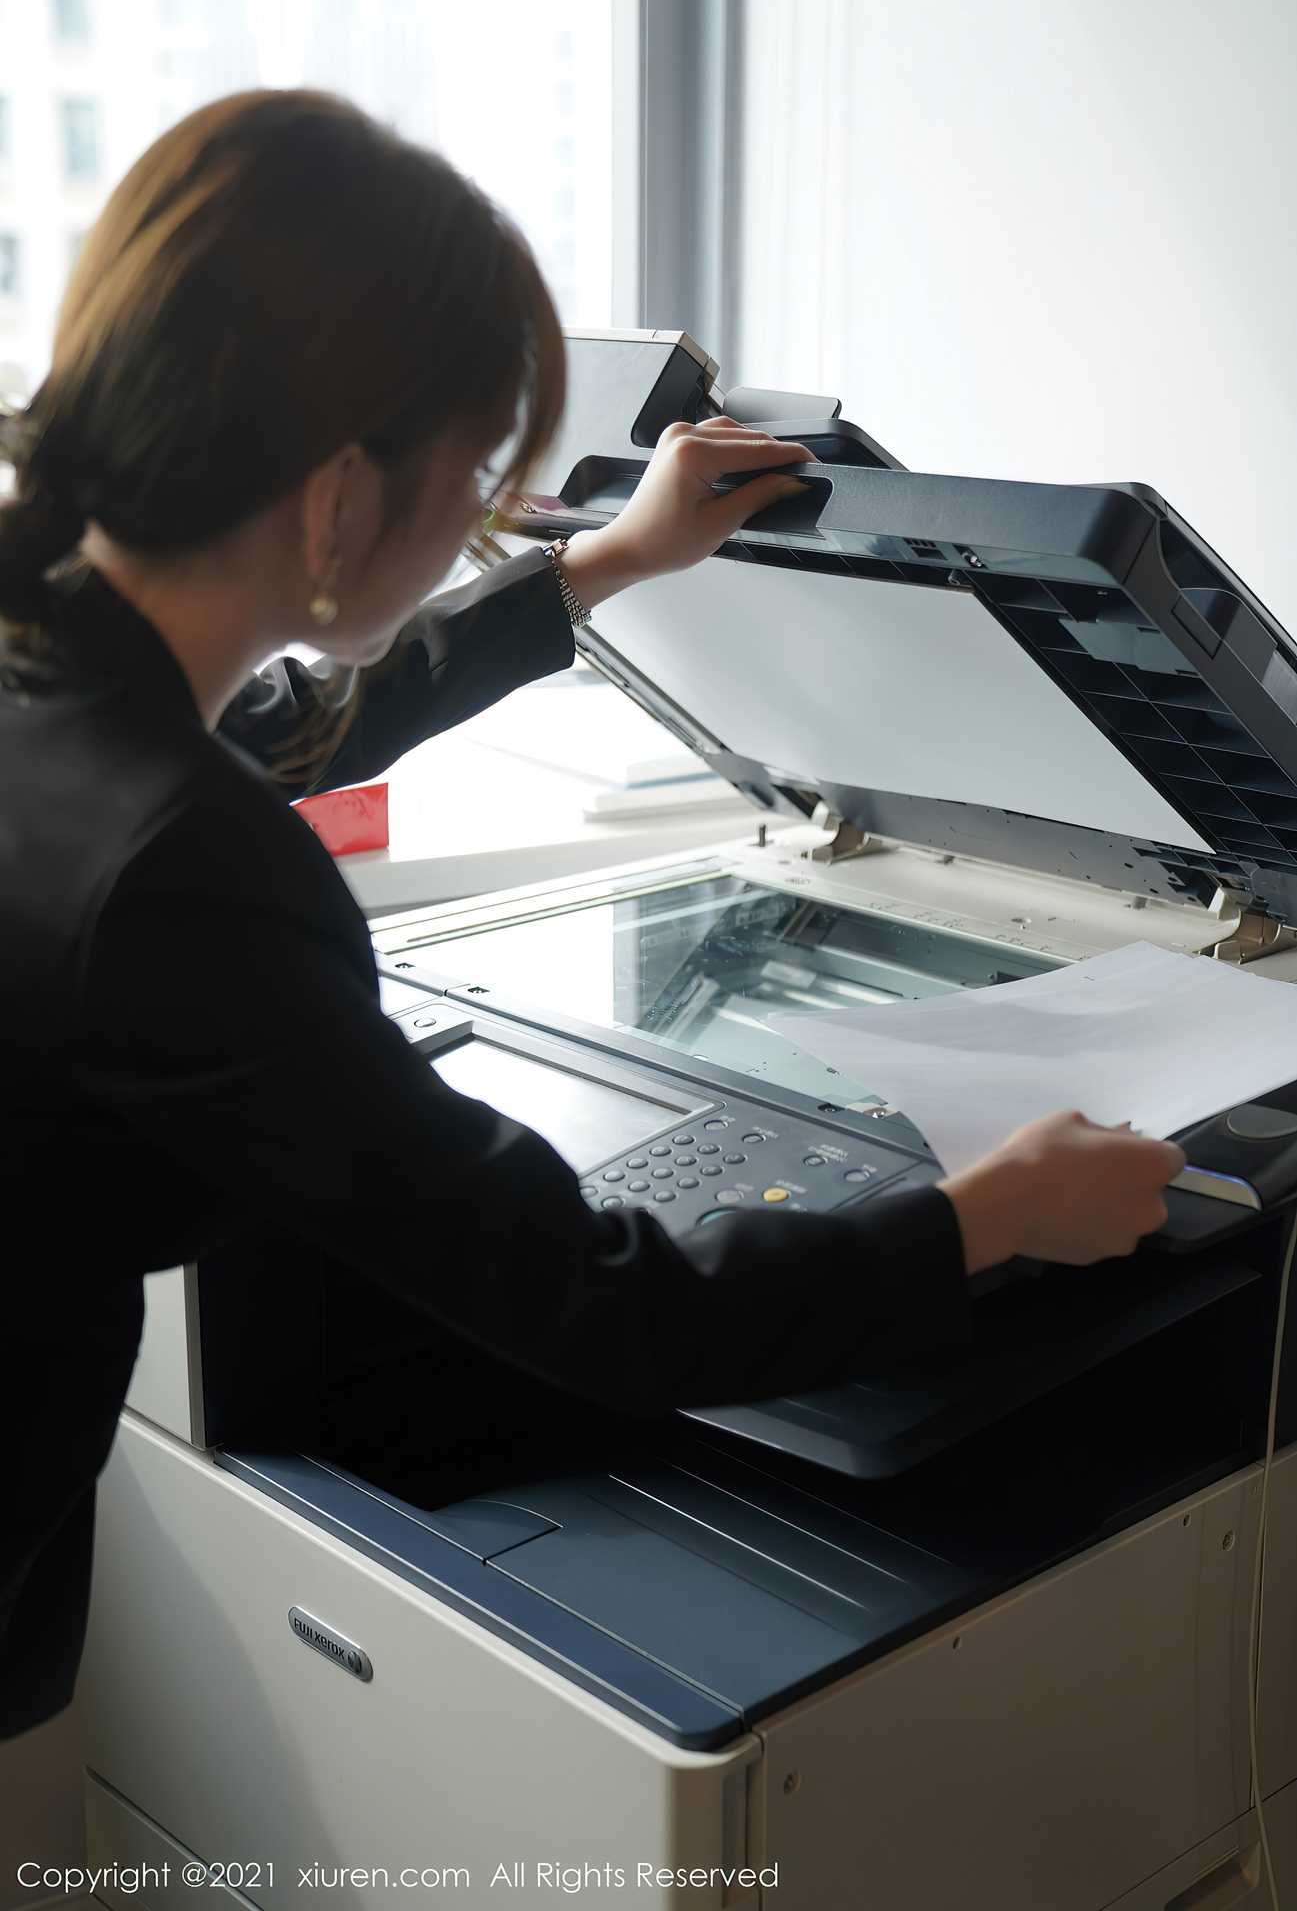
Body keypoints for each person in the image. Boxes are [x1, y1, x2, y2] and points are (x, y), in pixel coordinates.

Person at [0, 89, 1184, 1739]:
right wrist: (987, 1217)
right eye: (479, 479)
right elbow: (594, 1301)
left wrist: (598, 565)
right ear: (338, 498)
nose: (485, 515)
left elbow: (261, 734)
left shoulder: (47, 664)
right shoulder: (182, 869)